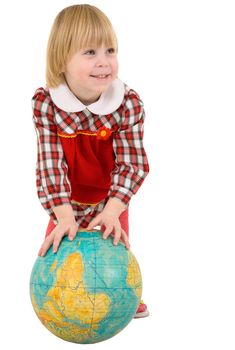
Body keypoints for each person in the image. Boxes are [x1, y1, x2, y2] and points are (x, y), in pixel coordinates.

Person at [31, 4, 150, 318]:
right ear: (62, 60)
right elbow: (50, 165)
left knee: (115, 248)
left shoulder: (127, 104)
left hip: (111, 196)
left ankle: (123, 297)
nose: (104, 62)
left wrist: (113, 211)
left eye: (110, 50)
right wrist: (63, 216)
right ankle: (50, 300)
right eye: (89, 52)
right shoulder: (47, 105)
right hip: (66, 199)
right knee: (58, 256)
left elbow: (131, 163)